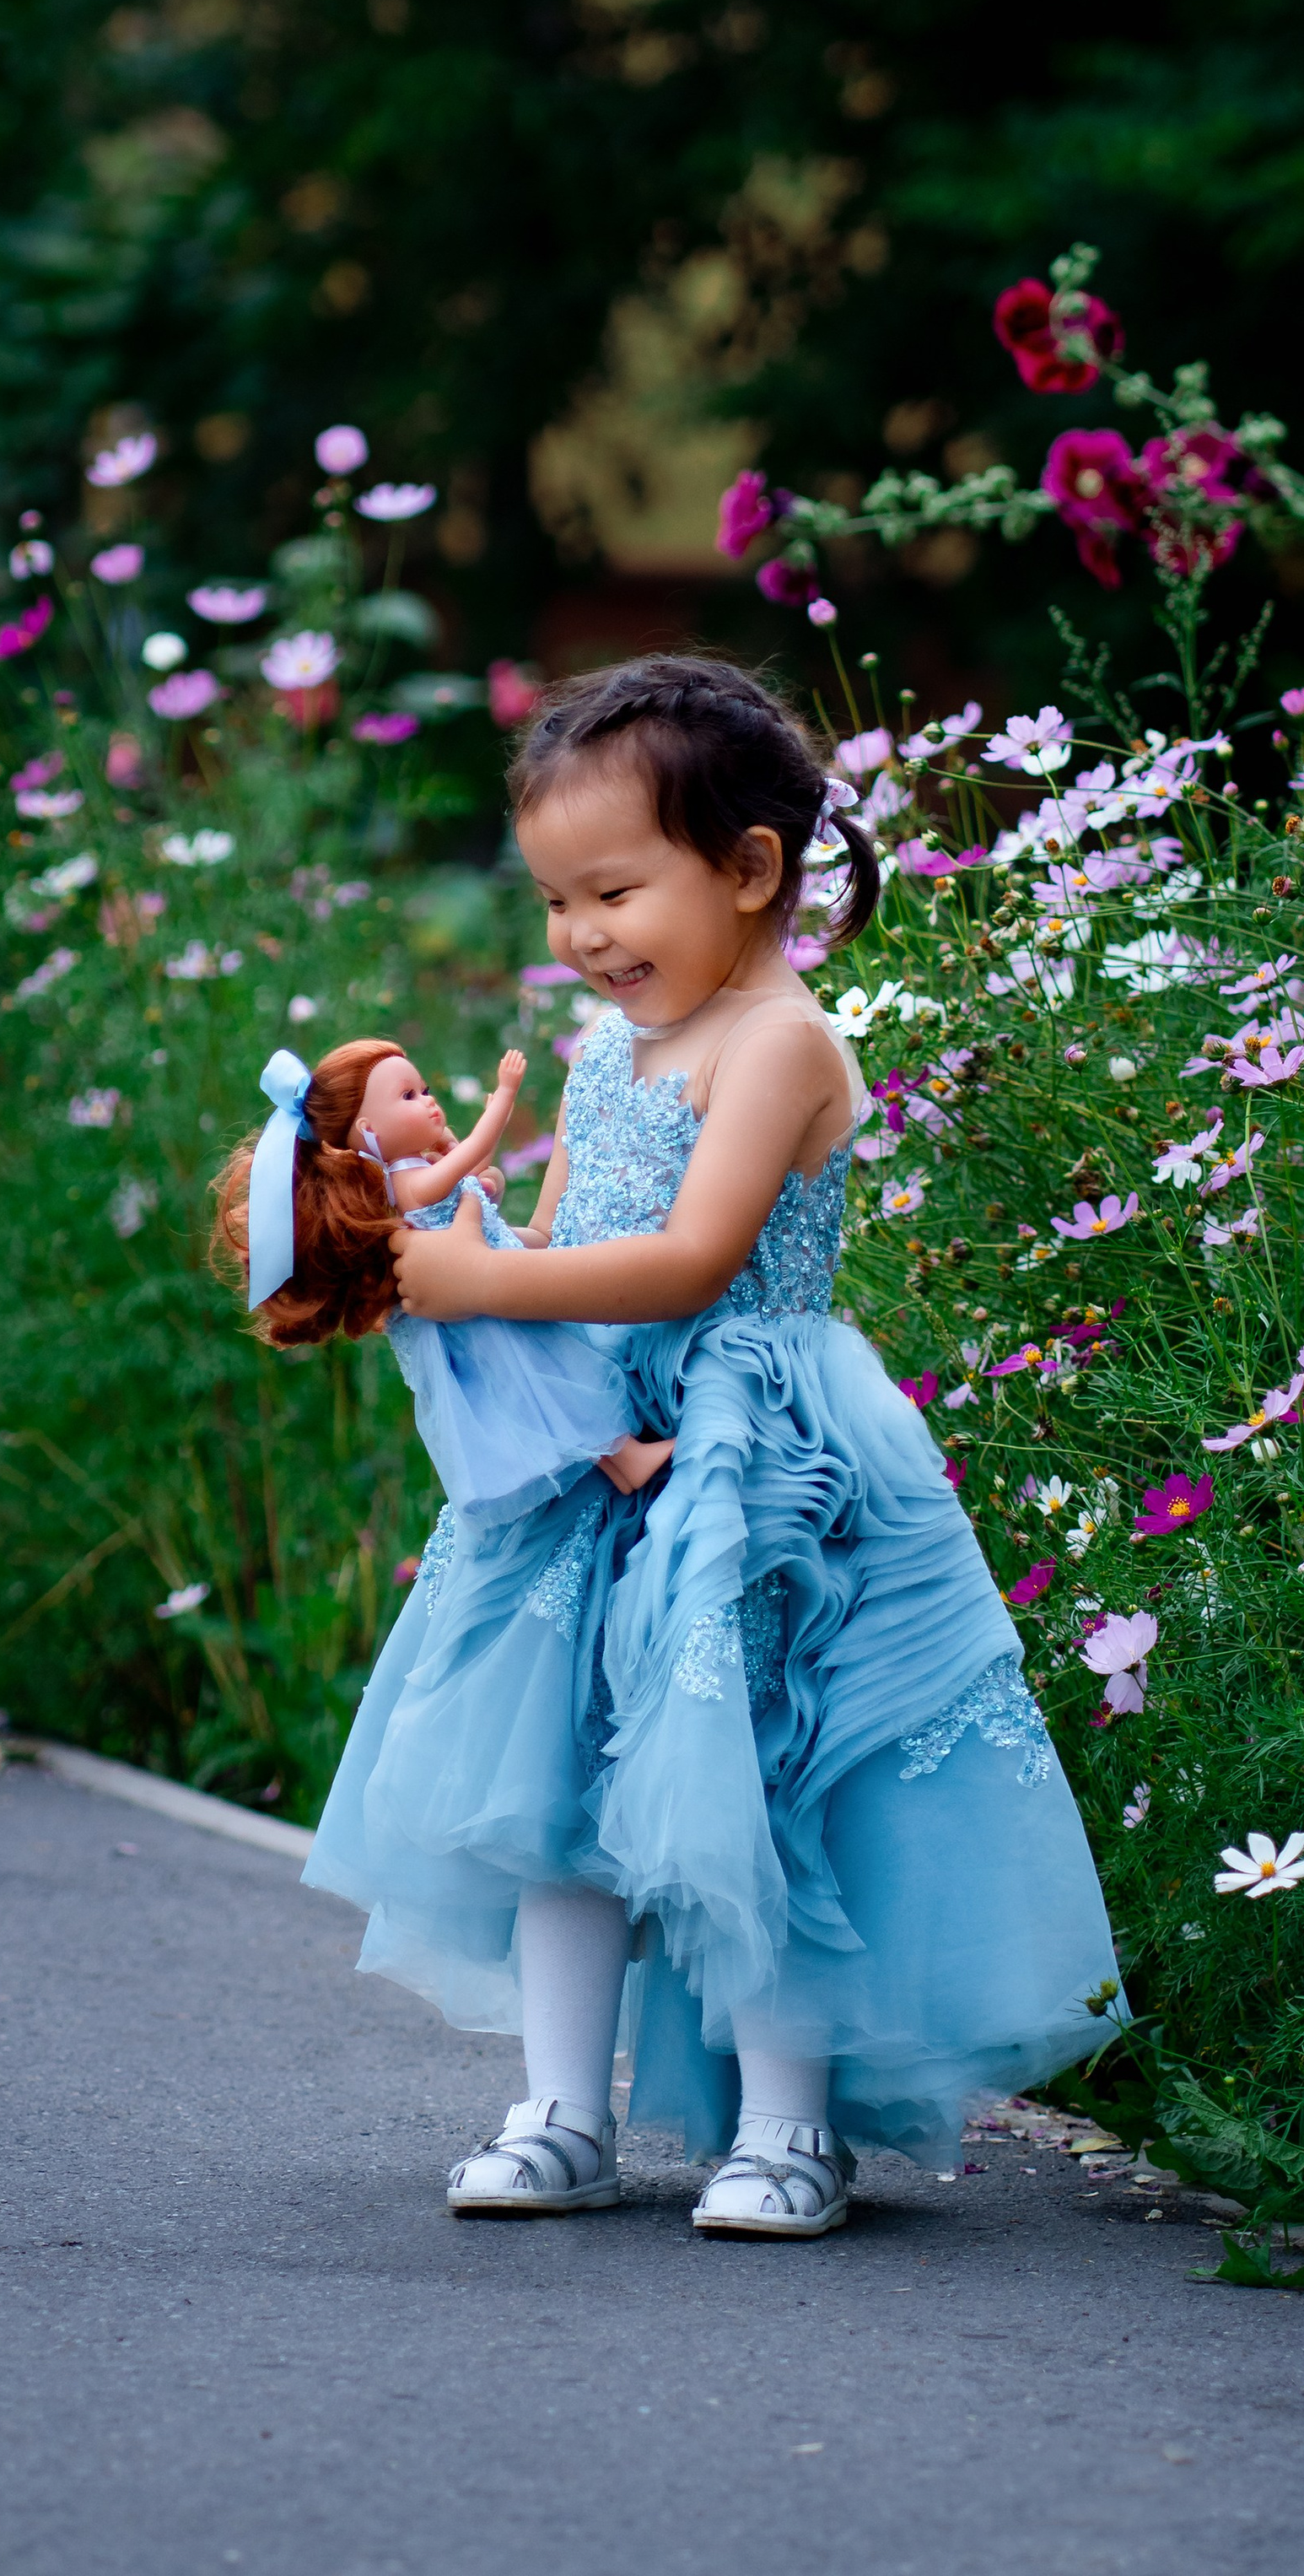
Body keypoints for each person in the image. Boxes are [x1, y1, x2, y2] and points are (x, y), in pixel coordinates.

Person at [299, 656, 1124, 2236]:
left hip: (750, 1460)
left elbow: (691, 1261)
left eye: (614, 892)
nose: (581, 936)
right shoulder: (606, 1052)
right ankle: (562, 2109)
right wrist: (452, 1262)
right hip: (597, 1451)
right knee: (555, 1785)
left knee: (762, 1776)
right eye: (556, 902)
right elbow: (567, 1245)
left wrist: (490, 1283)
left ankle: (788, 2126)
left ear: (749, 869)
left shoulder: (781, 1043)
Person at [210, 1040, 671, 1544]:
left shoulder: (415, 1172)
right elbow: (473, 1156)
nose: (428, 1100)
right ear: (368, 1130)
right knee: (552, 1379)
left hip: (491, 1290)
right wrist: (504, 1095)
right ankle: (627, 1456)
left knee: (551, 1378)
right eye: (408, 1096)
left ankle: (624, 1464)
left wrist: (470, 1170)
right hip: (483, 1317)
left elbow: (470, 1171)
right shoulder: (404, 1184)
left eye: (424, 1088)